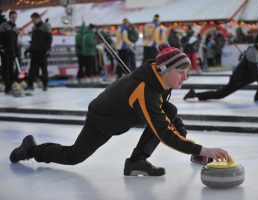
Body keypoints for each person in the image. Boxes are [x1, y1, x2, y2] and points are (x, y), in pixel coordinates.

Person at [10, 43, 228, 176]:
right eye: (181, 72)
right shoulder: (144, 90)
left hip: (125, 113)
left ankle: (136, 162)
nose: (185, 78)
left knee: (169, 111)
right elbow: (163, 132)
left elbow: (166, 113)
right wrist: (201, 149)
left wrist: (186, 138)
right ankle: (31, 150)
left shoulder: (157, 80)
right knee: (74, 156)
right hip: (102, 119)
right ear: (163, 70)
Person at [184, 33, 258, 102]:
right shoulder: (253, 52)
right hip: (239, 78)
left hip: (247, 76)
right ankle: (194, 94)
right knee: (220, 94)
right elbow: (255, 72)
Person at [26, 12, 52, 91]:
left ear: (38, 18)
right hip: (34, 52)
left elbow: (49, 39)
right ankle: (30, 85)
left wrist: (47, 49)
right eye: (32, 20)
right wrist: (29, 49)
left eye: (34, 19)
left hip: (42, 52)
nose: (33, 21)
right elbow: (33, 40)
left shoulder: (45, 27)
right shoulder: (33, 27)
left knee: (44, 69)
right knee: (32, 69)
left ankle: (45, 85)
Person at [0, 10, 18, 95]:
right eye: (13, 17)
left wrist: (16, 52)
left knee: (11, 69)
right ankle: (7, 88)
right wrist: (1, 47)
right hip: (5, 51)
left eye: (15, 17)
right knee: (5, 69)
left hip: (12, 51)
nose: (14, 18)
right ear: (9, 17)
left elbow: (15, 41)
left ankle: (10, 87)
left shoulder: (15, 27)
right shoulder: (4, 26)